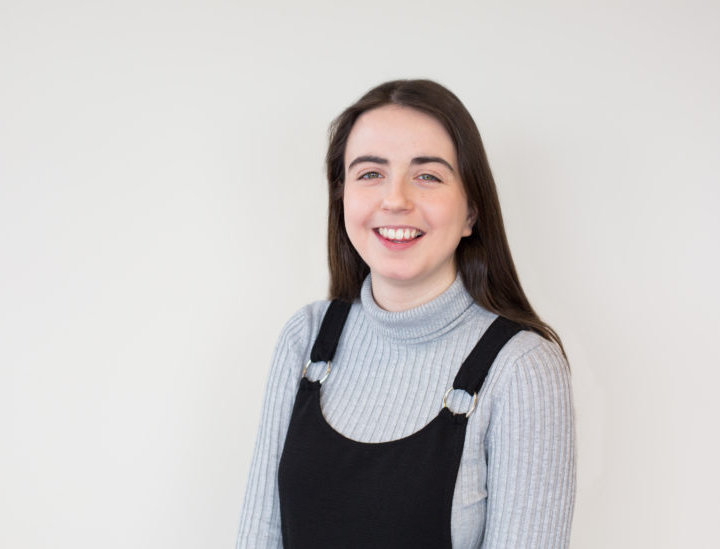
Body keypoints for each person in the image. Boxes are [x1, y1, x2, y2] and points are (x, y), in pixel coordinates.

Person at [236, 79, 575, 548]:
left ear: (472, 212)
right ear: (343, 197)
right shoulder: (307, 337)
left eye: (428, 176)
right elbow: (259, 537)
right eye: (370, 174)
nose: (395, 200)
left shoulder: (521, 368)